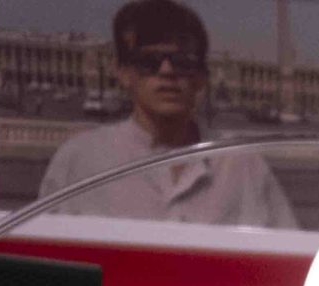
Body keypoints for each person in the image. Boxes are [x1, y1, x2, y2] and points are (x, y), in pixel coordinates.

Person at [34, 0, 299, 228]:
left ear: (201, 77)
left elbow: (289, 260)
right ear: (123, 73)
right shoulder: (79, 163)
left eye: (183, 62)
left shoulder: (242, 166)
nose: (167, 71)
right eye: (149, 62)